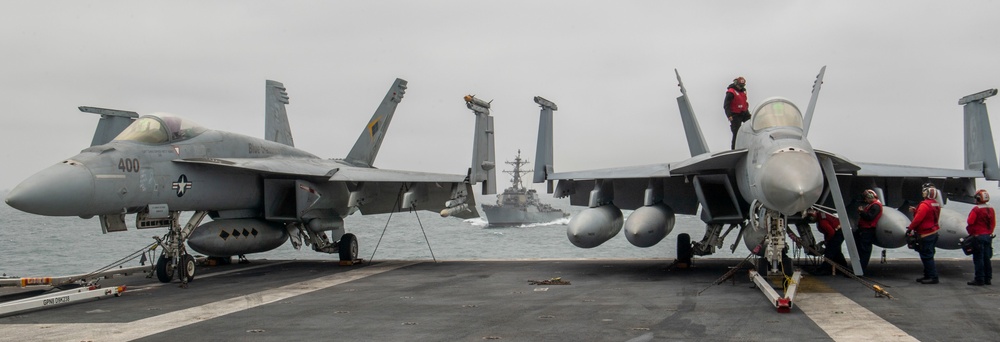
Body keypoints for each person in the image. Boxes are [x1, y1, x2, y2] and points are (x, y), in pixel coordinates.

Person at [908, 187, 942, 284]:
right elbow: (930, 216)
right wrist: (916, 211)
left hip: (925, 234)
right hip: (933, 232)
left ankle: (933, 277)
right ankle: (927, 275)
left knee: (926, 256)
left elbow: (918, 219)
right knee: (929, 255)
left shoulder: (924, 205)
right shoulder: (936, 204)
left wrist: (910, 228)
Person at [966, 189, 995, 286]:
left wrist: (972, 232)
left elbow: (970, 222)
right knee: (986, 258)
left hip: (978, 237)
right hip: (988, 236)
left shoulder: (976, 209)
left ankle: (979, 279)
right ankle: (988, 278)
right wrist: (989, 233)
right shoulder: (990, 209)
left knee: (978, 258)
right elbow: (993, 223)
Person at [808, 208, 848, 275]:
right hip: (839, 231)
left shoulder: (822, 222)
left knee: (829, 252)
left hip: (837, 233)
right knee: (837, 252)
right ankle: (843, 268)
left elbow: (831, 232)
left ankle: (824, 269)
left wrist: (827, 241)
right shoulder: (822, 216)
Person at [856, 189, 882, 274]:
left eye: (866, 198)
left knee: (864, 250)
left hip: (867, 231)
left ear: (870, 196)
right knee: (862, 249)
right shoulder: (872, 205)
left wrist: (861, 212)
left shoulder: (876, 206)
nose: (865, 200)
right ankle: (859, 268)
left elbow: (870, 217)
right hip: (865, 230)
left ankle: (860, 270)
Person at [723, 76, 750, 149]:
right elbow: (726, 105)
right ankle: (734, 149)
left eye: (742, 86)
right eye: (740, 85)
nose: (740, 87)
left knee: (751, 125)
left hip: (744, 113)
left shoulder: (743, 91)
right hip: (735, 114)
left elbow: (744, 102)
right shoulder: (731, 92)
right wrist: (729, 115)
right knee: (736, 133)